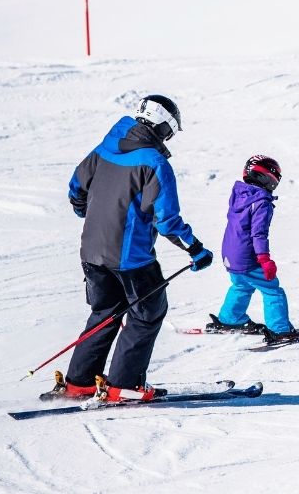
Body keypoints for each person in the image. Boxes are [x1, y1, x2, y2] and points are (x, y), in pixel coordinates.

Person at [43, 94, 213, 403]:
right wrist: (195, 249)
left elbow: (76, 187)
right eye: (171, 131)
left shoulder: (103, 149)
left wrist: (88, 212)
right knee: (147, 313)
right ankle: (124, 385)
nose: (170, 137)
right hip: (130, 258)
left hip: (92, 252)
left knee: (105, 311)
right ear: (163, 126)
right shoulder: (154, 163)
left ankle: (79, 382)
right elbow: (167, 220)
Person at [206, 155, 299, 344]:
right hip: (247, 256)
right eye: (276, 177)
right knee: (273, 291)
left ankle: (230, 319)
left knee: (241, 285)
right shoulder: (262, 202)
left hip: (230, 254)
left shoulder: (239, 195)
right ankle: (280, 330)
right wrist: (264, 259)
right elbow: (258, 234)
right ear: (266, 176)